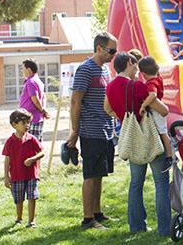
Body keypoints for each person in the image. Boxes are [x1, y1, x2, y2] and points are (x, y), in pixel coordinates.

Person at [104, 52, 171, 236]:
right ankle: (165, 229)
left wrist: (123, 117)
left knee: (135, 183)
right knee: (161, 183)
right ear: (128, 63)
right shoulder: (138, 86)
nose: (137, 69)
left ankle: (137, 226)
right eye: (135, 65)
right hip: (151, 139)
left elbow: (107, 108)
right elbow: (163, 110)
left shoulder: (110, 86)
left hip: (132, 140)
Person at [66, 32, 117, 230]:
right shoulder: (85, 69)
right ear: (99, 48)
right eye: (111, 50)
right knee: (90, 175)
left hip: (105, 130)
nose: (114, 55)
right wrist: (74, 131)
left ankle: (97, 213)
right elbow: (75, 102)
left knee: (99, 173)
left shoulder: (105, 70)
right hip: (90, 131)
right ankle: (88, 219)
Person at [3, 109, 45, 228]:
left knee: (32, 196)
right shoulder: (10, 142)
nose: (27, 125)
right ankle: (19, 219)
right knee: (19, 198)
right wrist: (6, 177)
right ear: (14, 125)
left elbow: (42, 152)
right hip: (16, 175)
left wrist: (33, 159)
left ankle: (31, 221)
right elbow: (7, 160)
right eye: (24, 123)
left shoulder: (32, 139)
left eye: (28, 122)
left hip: (32, 174)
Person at [137, 56, 173, 158]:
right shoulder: (158, 78)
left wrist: (143, 105)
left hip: (157, 110)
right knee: (162, 131)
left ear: (143, 74)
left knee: (162, 132)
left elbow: (153, 95)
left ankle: (169, 154)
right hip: (159, 106)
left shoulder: (151, 83)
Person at [19, 59, 49, 142]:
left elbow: (35, 100)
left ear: (28, 69)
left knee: (32, 145)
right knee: (35, 143)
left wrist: (43, 111)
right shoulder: (38, 81)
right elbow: (43, 97)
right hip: (35, 117)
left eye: (23, 68)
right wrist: (43, 111)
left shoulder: (31, 82)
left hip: (32, 119)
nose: (22, 71)